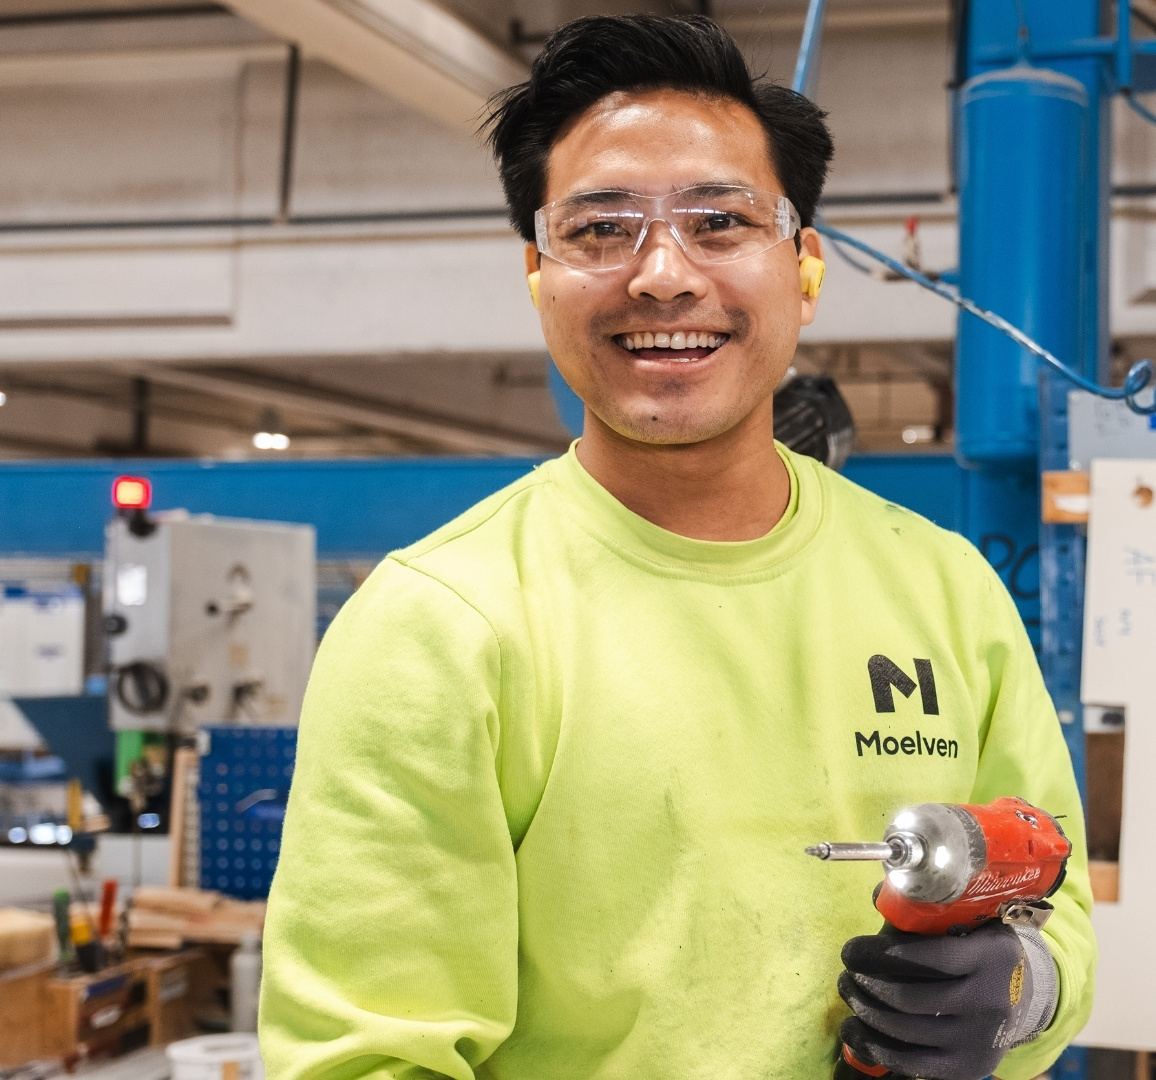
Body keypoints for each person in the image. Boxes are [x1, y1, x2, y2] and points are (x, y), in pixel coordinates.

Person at [258, 13, 1094, 1080]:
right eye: (601, 229)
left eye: (720, 221)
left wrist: (1020, 993)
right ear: (535, 275)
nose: (662, 274)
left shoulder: (941, 588)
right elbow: (363, 1056)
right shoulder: (437, 627)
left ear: (805, 267)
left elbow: (1053, 895)